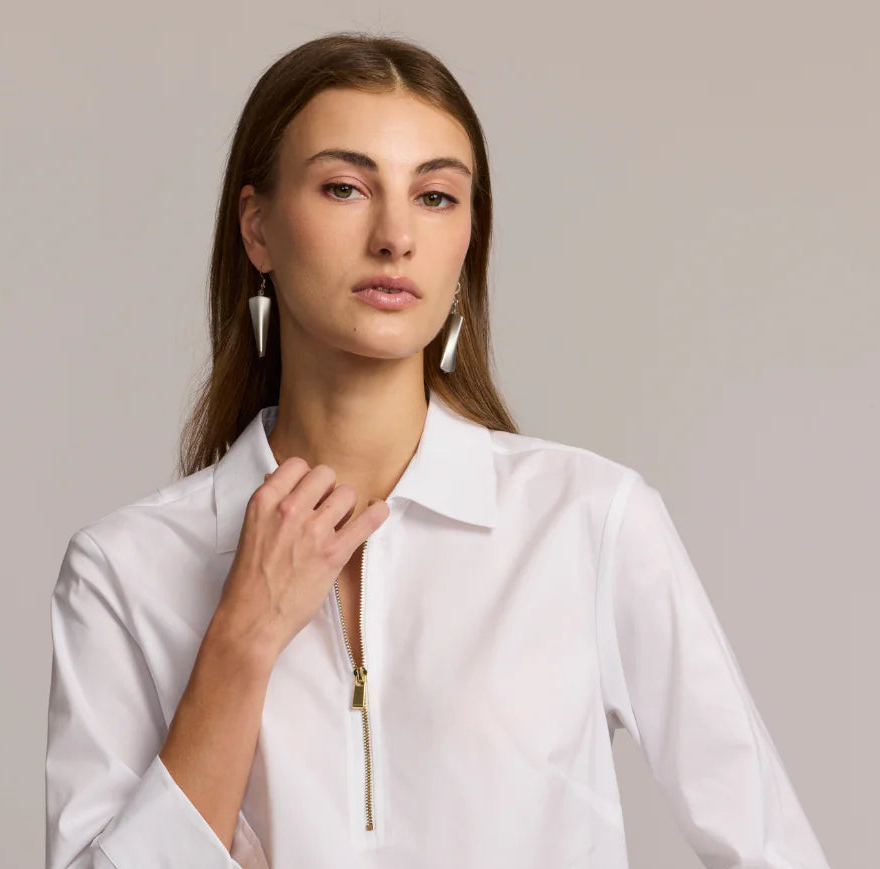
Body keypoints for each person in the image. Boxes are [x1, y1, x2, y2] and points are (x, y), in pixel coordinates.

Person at [44, 32, 830, 869]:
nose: (394, 236)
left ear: (466, 245)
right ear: (258, 228)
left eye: (436, 197)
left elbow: (773, 849)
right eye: (345, 188)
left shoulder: (588, 521)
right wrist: (241, 639)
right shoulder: (124, 571)